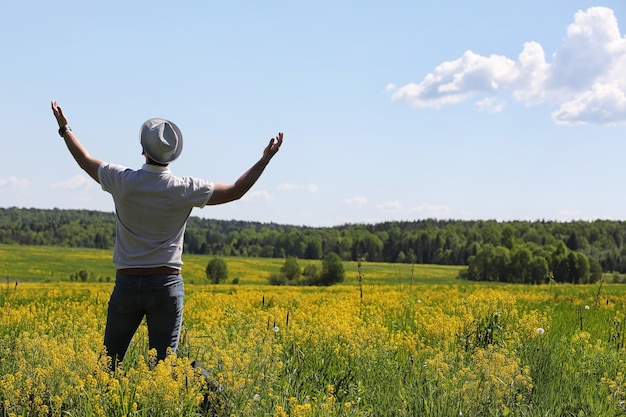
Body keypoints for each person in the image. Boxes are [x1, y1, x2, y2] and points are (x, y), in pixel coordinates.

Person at [51, 101, 283, 367]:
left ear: (142, 150)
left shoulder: (122, 180)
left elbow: (84, 160)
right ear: (172, 155)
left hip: (126, 283)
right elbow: (235, 191)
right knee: (164, 368)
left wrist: (65, 128)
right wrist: (265, 159)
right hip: (165, 285)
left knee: (108, 365)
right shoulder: (184, 189)